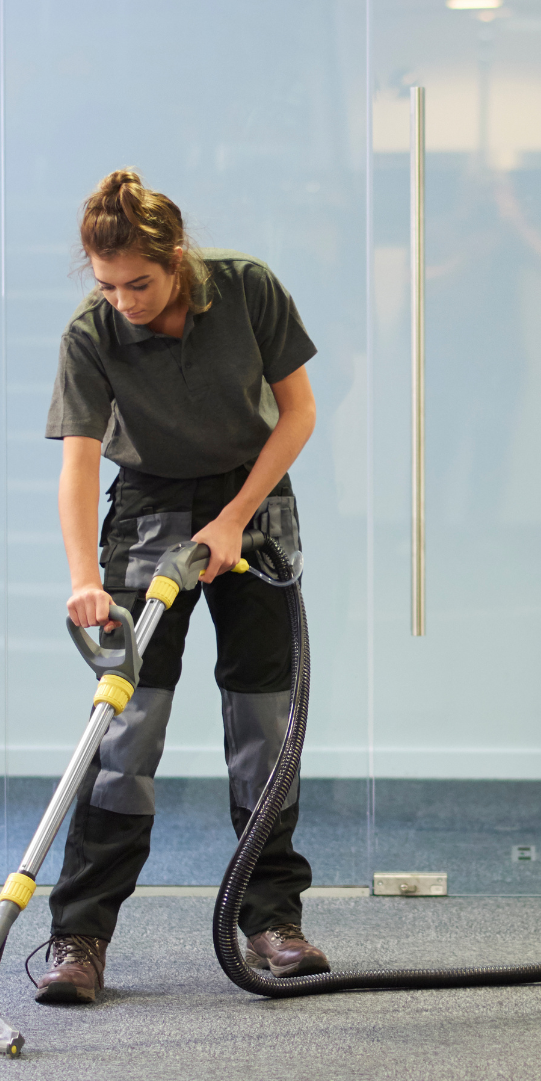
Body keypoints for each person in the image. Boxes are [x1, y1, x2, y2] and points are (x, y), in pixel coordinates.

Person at [33, 168, 327, 1003]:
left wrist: (234, 518)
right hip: (149, 507)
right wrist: (84, 581)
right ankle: (79, 937)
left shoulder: (247, 289)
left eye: (139, 284)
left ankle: (272, 921)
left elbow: (298, 412)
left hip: (253, 501)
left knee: (264, 723)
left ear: (176, 262)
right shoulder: (91, 332)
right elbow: (79, 464)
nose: (123, 301)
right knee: (125, 730)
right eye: (107, 285)